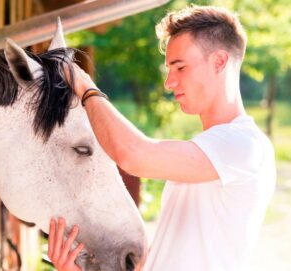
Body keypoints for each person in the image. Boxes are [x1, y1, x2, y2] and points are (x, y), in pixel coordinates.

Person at [47, 5, 276, 271]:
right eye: (169, 68)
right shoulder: (203, 156)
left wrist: (83, 84)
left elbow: (133, 154)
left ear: (219, 62)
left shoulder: (245, 145)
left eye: (180, 67)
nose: (169, 82)